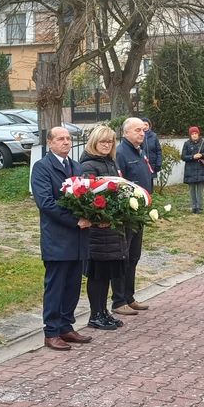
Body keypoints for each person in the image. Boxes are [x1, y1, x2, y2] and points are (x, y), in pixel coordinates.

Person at [32, 127, 95, 349]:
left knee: (72, 284)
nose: (66, 142)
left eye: (68, 139)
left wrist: (94, 215)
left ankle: (66, 327)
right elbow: (46, 203)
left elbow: (86, 197)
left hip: (78, 239)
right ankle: (51, 332)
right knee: (56, 286)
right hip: (58, 237)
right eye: (61, 139)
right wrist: (74, 220)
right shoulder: (42, 168)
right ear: (50, 143)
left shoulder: (76, 166)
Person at [80, 125, 128, 331]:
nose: (107, 145)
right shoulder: (88, 165)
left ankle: (104, 311)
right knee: (97, 274)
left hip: (111, 228)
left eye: (110, 142)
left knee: (107, 273)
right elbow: (87, 197)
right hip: (98, 229)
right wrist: (100, 217)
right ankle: (95, 314)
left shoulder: (110, 162)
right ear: (94, 142)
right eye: (103, 142)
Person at [112, 117, 154, 316]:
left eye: (143, 130)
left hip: (139, 213)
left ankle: (129, 296)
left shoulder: (140, 150)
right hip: (126, 215)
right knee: (124, 256)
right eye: (137, 130)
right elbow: (120, 183)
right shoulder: (121, 153)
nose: (141, 133)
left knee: (134, 256)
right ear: (126, 132)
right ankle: (119, 300)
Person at [181, 125, 204, 214]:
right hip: (190, 171)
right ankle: (193, 207)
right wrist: (193, 157)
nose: (194, 135)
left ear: (198, 134)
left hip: (201, 170)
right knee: (192, 191)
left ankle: (200, 208)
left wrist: (202, 155)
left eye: (196, 133)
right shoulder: (187, 144)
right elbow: (183, 156)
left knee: (200, 191)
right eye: (192, 134)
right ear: (190, 135)